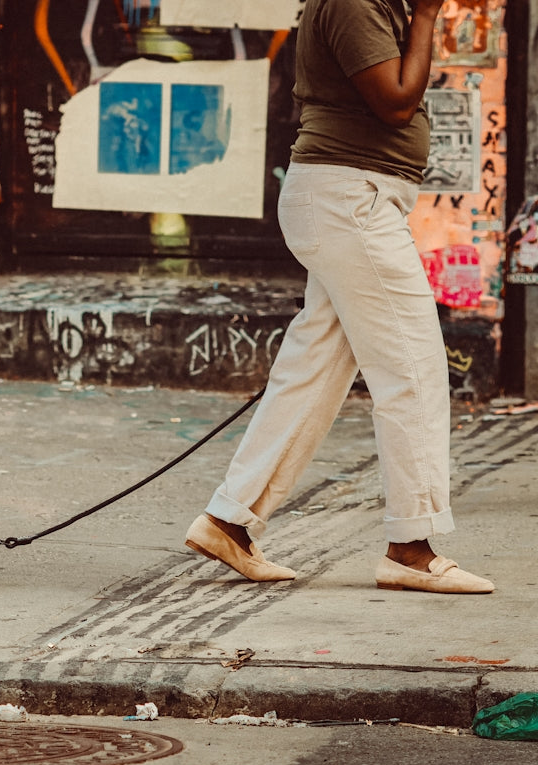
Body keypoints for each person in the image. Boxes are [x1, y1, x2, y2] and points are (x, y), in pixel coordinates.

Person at [184, 0, 494, 594]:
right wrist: (427, 17)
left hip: (350, 199)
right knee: (415, 367)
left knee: (314, 371)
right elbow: (396, 101)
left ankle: (231, 520)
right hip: (351, 200)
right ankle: (412, 547)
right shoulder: (354, 2)